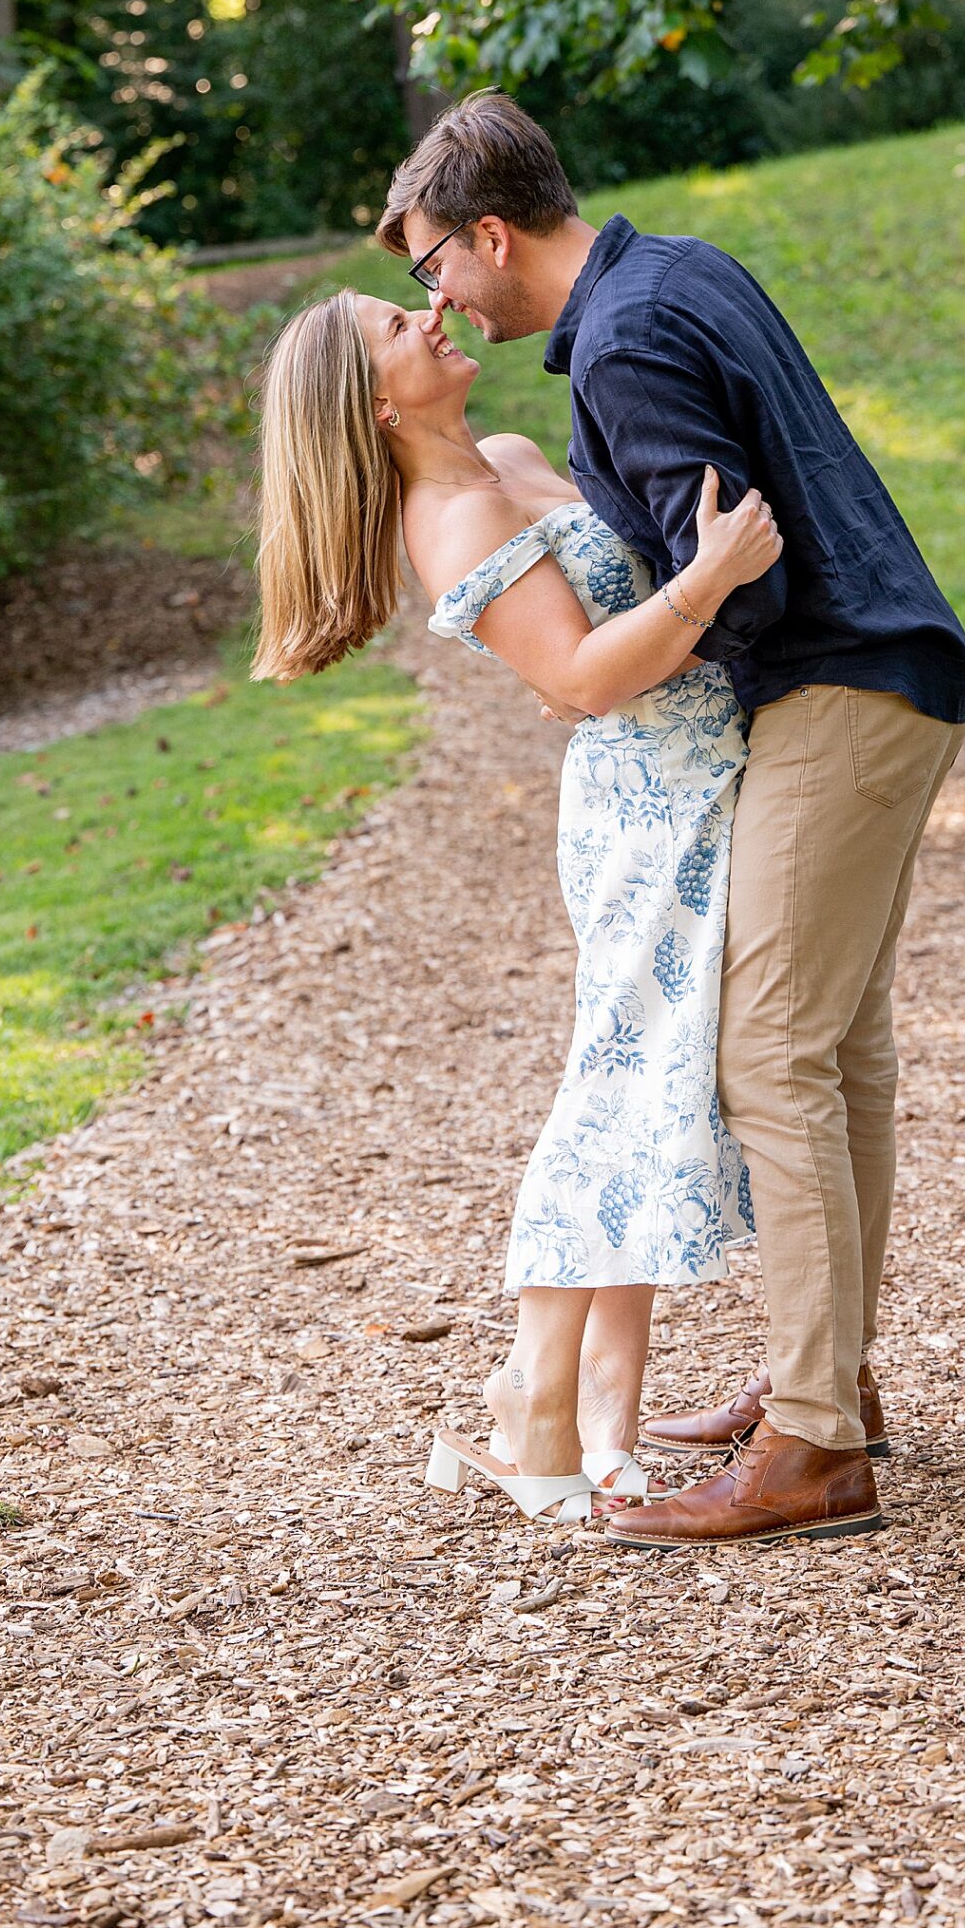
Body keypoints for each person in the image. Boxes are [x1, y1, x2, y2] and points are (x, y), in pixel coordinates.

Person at [378, 91, 965, 1550]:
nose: (436, 295)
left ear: (490, 234)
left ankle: (817, 1445)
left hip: (835, 688)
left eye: (433, 265)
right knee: (838, 1047)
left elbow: (744, 574)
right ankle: (822, 1386)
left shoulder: (629, 341)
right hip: (890, 666)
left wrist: (628, 666)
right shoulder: (679, 269)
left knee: (771, 1048)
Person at [252, 285, 781, 1525]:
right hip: (648, 804)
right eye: (400, 326)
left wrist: (676, 606)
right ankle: (531, 1400)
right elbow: (587, 678)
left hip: (703, 768)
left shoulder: (510, 456)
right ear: (374, 400)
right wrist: (707, 583)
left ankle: (600, 1406)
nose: (435, 316)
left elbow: (593, 637)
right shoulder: (445, 515)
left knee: (659, 1080)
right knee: (621, 1080)